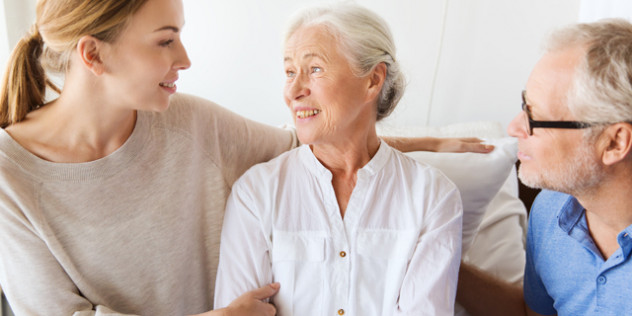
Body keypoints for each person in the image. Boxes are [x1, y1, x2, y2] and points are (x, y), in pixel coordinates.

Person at [0, 0, 491, 315]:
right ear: (94, 55)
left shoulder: (190, 122)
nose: (186, 58)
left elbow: (317, 144)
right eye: (166, 39)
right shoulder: (9, 176)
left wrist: (431, 145)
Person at [213, 3, 463, 315]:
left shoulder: (433, 197)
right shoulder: (256, 193)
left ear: (372, 81)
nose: (293, 90)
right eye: (289, 71)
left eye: (314, 69)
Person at [456, 18, 632, 316]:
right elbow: (533, 312)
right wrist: (442, 261)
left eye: (534, 118)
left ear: (614, 143)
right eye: (523, 105)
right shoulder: (552, 209)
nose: (513, 127)